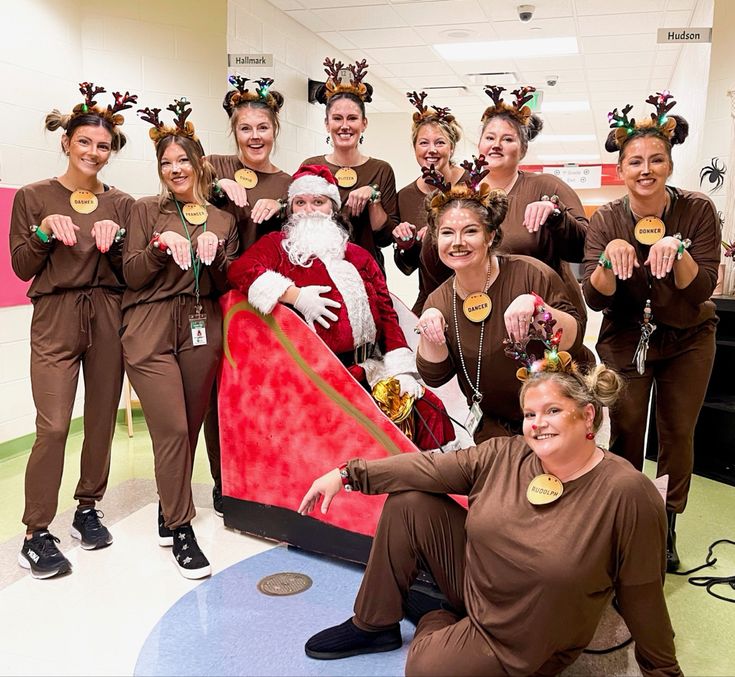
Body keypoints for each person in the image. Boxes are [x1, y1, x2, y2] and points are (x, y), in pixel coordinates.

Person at [298, 352, 681, 677]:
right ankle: (374, 623)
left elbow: (643, 595)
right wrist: (348, 473)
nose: (537, 423)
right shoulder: (507, 453)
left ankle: (436, 614)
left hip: (524, 637)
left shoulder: (627, 493)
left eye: (552, 411)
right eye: (530, 414)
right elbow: (429, 468)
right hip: (482, 585)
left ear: (587, 417)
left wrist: (663, 671)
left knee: (424, 667)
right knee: (409, 503)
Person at [582, 91, 720, 572]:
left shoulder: (697, 211)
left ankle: (666, 521)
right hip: (625, 339)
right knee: (624, 430)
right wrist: (608, 259)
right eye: (635, 161)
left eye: (656, 159)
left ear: (668, 163)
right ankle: (624, 520)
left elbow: (701, 288)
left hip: (687, 339)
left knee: (677, 433)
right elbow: (594, 297)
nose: (646, 169)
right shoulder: (605, 218)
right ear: (620, 170)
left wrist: (677, 252)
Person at [227, 164, 454, 450]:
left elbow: (386, 313)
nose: (308, 210)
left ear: (332, 208)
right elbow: (240, 270)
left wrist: (401, 370)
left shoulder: (357, 255)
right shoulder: (278, 246)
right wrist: (294, 295)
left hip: (367, 368)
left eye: (318, 202)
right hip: (313, 377)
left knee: (427, 411)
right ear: (291, 209)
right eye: (300, 202)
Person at [10, 82, 136, 579]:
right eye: (84, 142)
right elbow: (22, 267)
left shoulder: (123, 203)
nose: (93, 152)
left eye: (103, 146)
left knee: (101, 416)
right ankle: (36, 531)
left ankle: (88, 507)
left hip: (108, 311)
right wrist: (43, 234)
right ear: (66, 142)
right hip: (56, 316)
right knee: (55, 424)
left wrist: (121, 242)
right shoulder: (34, 196)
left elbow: (136, 270)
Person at [122, 99, 238, 579]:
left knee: (188, 427)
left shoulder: (223, 219)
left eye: (182, 161)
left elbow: (231, 280)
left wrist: (217, 259)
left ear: (199, 164)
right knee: (170, 427)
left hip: (201, 324)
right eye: (165, 163)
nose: (174, 169)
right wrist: (157, 248)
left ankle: (169, 506)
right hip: (148, 325)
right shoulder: (144, 211)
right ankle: (182, 527)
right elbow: (130, 274)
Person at [415, 160, 585, 443]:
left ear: (490, 236)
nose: (457, 242)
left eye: (470, 231)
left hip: (558, 418)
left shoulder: (531, 273)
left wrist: (538, 308)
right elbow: (435, 377)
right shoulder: (440, 299)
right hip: (494, 427)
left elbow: (574, 337)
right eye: (447, 233)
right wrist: (431, 335)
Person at [203, 76, 291, 516]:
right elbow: (180, 194)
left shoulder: (288, 184)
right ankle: (225, 481)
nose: (255, 136)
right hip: (214, 300)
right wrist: (218, 189)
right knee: (219, 397)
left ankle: (265, 477)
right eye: (245, 128)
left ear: (275, 130)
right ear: (234, 132)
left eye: (263, 127)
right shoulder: (211, 165)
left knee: (263, 396)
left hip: (264, 307)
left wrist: (285, 210)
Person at [302, 58, 399, 271]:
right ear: (327, 124)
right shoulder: (311, 167)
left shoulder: (380, 170)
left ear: (364, 123)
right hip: (320, 269)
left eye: (352, 118)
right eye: (337, 118)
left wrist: (374, 197)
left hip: (368, 272)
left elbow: (385, 237)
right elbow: (298, 223)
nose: (345, 126)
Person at [392, 91, 467, 315]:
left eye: (440, 142)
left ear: (451, 148)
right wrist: (406, 245)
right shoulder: (406, 196)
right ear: (415, 148)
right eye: (423, 143)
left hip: (474, 291)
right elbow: (408, 267)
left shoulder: (472, 184)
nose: (431, 150)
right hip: (432, 295)